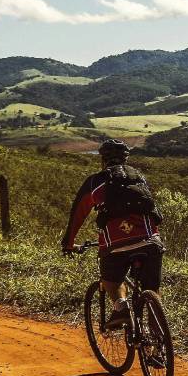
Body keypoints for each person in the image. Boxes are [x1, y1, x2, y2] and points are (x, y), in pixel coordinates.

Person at [61, 139, 164, 329]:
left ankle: (121, 307)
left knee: (110, 280)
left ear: (103, 160)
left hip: (115, 245)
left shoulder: (94, 182)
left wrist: (68, 243)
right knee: (152, 289)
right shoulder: (139, 177)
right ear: (125, 159)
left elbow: (77, 215)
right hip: (150, 240)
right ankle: (159, 341)